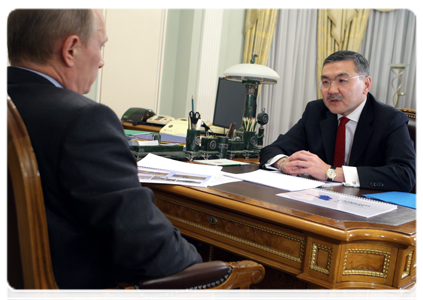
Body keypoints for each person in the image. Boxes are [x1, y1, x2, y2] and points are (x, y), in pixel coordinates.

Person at [5, 8, 213, 299]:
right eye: (100, 46)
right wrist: (201, 279)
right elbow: (144, 243)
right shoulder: (83, 120)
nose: (101, 61)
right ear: (71, 49)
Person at [260, 50, 417, 192]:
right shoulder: (316, 111)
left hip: (365, 208)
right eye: (326, 82)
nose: (332, 90)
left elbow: (405, 175)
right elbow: (271, 150)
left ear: (366, 84)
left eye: (342, 80)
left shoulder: (389, 119)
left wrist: (331, 172)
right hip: (320, 202)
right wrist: (283, 163)